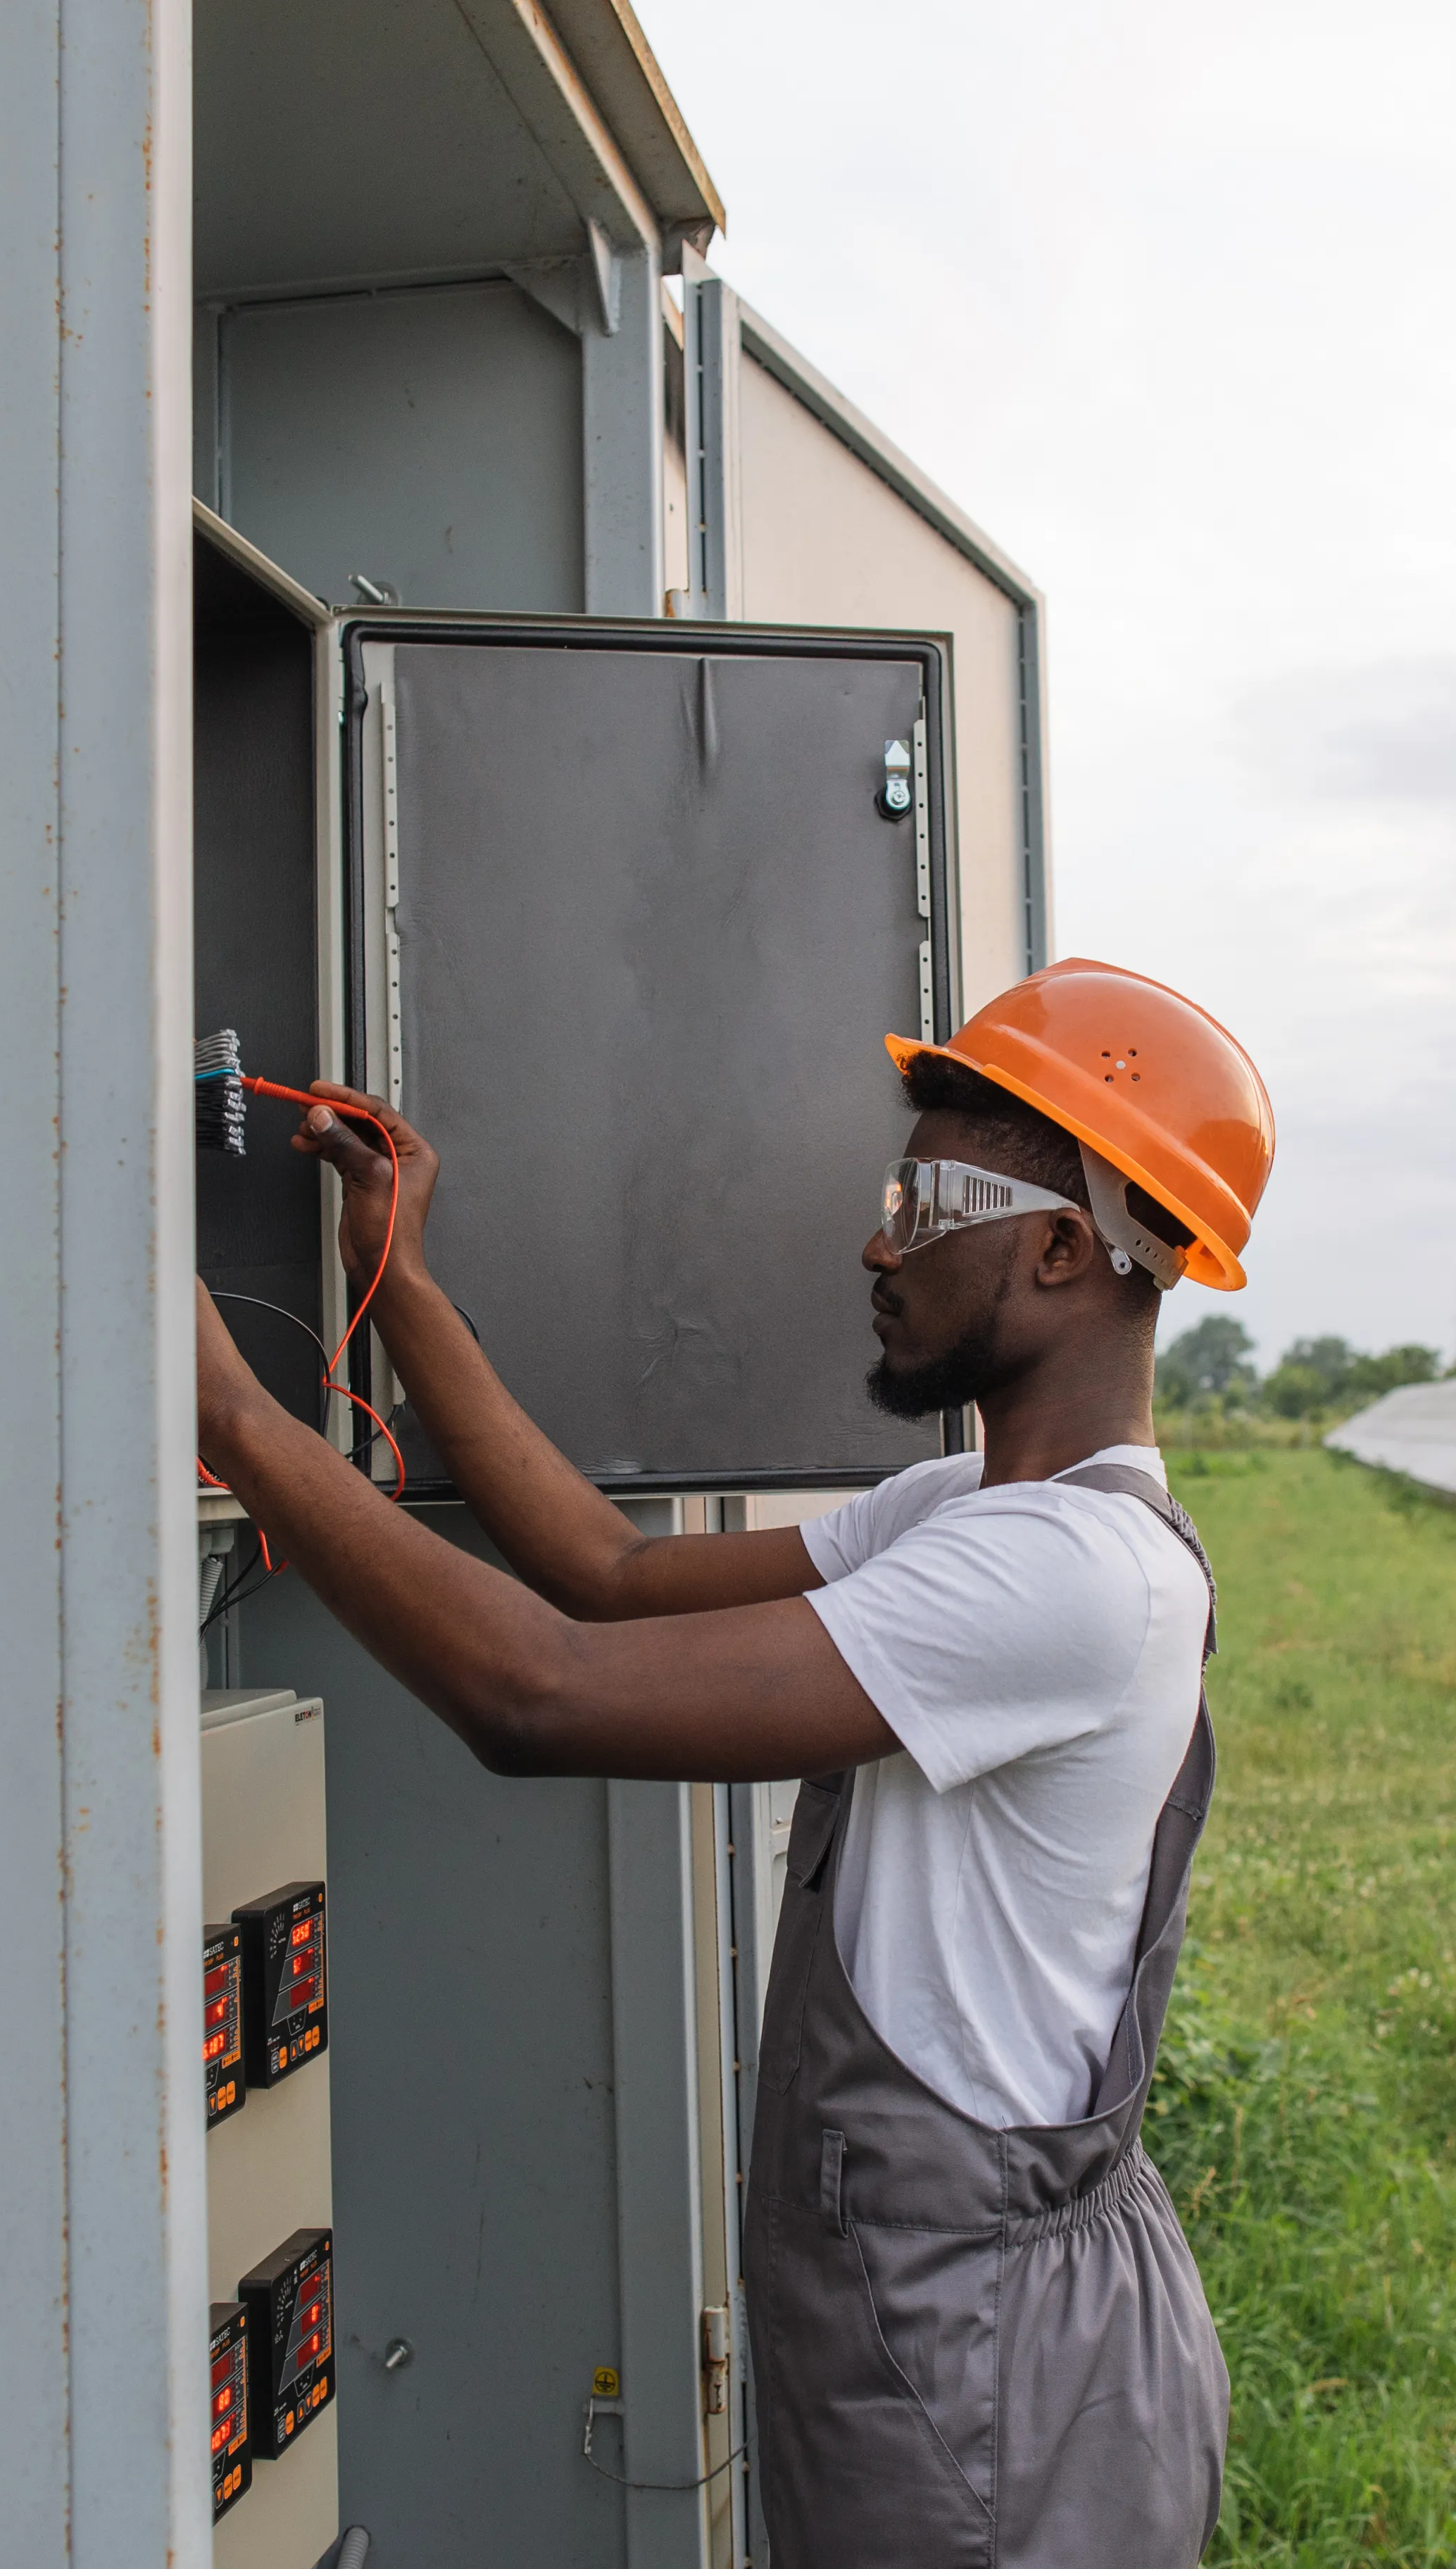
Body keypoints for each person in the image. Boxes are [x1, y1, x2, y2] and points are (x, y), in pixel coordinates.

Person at [192, 957, 1276, 2568]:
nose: (875, 1237)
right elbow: (604, 1579)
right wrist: (397, 1276)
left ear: (1063, 1248)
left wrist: (222, 1410)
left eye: (921, 1198)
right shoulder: (970, 1516)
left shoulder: (1070, 1578)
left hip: (988, 2366)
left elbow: (540, 1697)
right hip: (949, 2316)